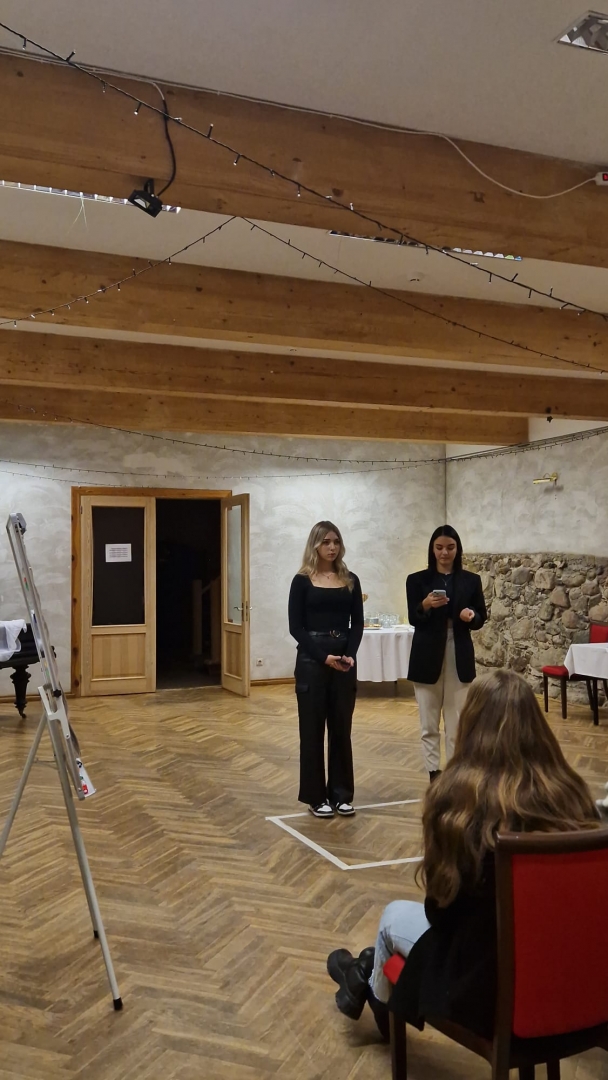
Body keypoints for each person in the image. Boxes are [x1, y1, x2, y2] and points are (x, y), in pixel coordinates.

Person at [326, 669, 600, 1040]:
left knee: (392, 923)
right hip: (563, 968)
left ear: (471, 724)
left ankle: (372, 982)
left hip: (481, 985)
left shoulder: (456, 801)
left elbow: (439, 912)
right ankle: (366, 970)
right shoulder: (572, 794)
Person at [288, 521, 364, 818]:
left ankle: (341, 794)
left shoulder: (350, 579)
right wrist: (323, 657)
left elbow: (357, 623)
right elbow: (296, 628)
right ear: (315, 545)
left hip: (343, 662)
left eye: (336, 541)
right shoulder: (302, 581)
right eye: (326, 542)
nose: (332, 547)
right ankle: (315, 796)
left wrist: (349, 655)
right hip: (312, 661)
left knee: (341, 729)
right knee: (312, 730)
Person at [406, 525, 486, 782]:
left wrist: (471, 615)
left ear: (457, 549)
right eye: (439, 547)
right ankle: (433, 773)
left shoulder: (471, 580)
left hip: (458, 649)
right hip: (426, 652)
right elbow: (414, 618)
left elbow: (481, 616)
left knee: (457, 722)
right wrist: (425, 604)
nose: (444, 553)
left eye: (450, 547)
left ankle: (453, 774)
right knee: (429, 723)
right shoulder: (416, 580)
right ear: (432, 549)